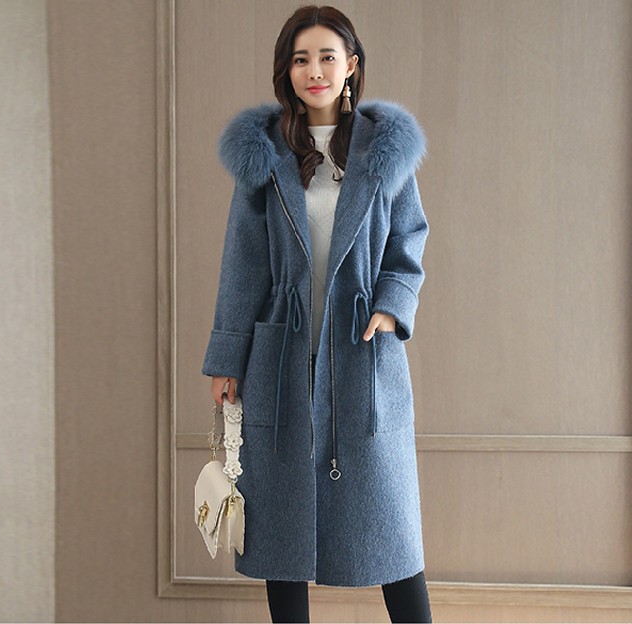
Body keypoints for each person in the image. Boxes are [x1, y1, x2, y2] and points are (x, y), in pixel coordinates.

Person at [201, 5, 432, 622]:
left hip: (364, 354)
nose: (314, 71)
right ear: (287, 70)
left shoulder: (384, 152)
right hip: (279, 358)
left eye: (327, 57)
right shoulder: (266, 156)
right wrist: (227, 358)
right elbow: (243, 262)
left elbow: (409, 239)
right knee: (282, 528)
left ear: (351, 65)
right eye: (301, 59)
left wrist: (390, 308)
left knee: (391, 526)